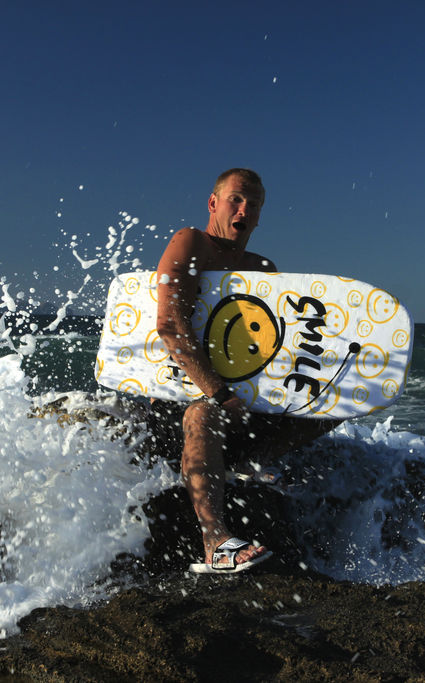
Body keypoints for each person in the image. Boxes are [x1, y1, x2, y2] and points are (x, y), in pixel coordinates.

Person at [153, 168, 338, 574]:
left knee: (332, 404)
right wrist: (218, 393)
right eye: (236, 199)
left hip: (234, 403)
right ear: (213, 203)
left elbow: (273, 348)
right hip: (185, 397)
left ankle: (249, 463)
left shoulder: (262, 266)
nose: (244, 210)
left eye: (254, 205)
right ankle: (216, 543)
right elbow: (169, 325)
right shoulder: (192, 242)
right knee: (202, 414)